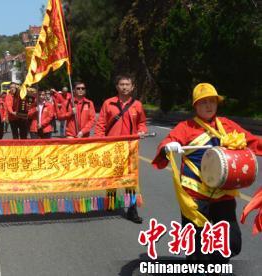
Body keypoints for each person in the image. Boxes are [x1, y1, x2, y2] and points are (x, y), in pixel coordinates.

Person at [152, 83, 262, 262]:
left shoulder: (226, 125)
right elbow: (167, 143)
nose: (208, 106)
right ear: (195, 106)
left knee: (231, 243)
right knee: (196, 250)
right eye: (203, 102)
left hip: (223, 194)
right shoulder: (185, 127)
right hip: (194, 195)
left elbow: (252, 141)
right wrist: (168, 148)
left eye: (212, 101)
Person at [95, 74, 147, 223]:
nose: (124, 87)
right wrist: (100, 142)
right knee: (112, 175)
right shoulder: (108, 103)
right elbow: (101, 125)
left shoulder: (137, 105)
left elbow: (142, 122)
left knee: (130, 180)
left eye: (127, 84)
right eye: (121, 84)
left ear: (132, 87)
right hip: (112, 147)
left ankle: (132, 210)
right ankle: (111, 201)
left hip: (130, 147)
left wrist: (142, 130)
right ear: (117, 87)